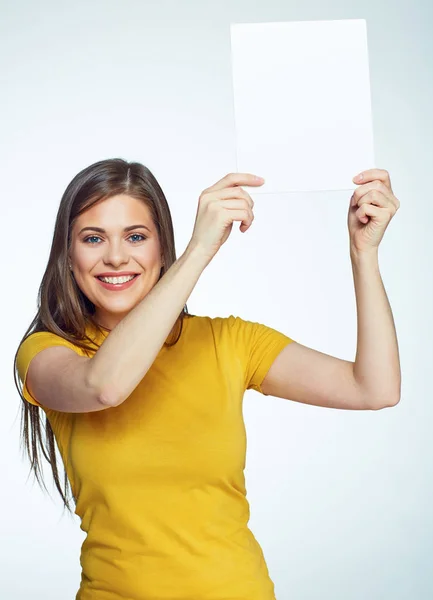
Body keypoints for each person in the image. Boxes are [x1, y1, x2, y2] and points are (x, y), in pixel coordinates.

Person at [14, 158, 401, 600]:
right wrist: (201, 250)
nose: (116, 256)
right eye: (93, 238)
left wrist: (363, 254)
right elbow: (105, 385)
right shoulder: (48, 353)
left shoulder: (228, 342)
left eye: (136, 237)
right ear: (69, 255)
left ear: (162, 248)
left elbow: (374, 388)